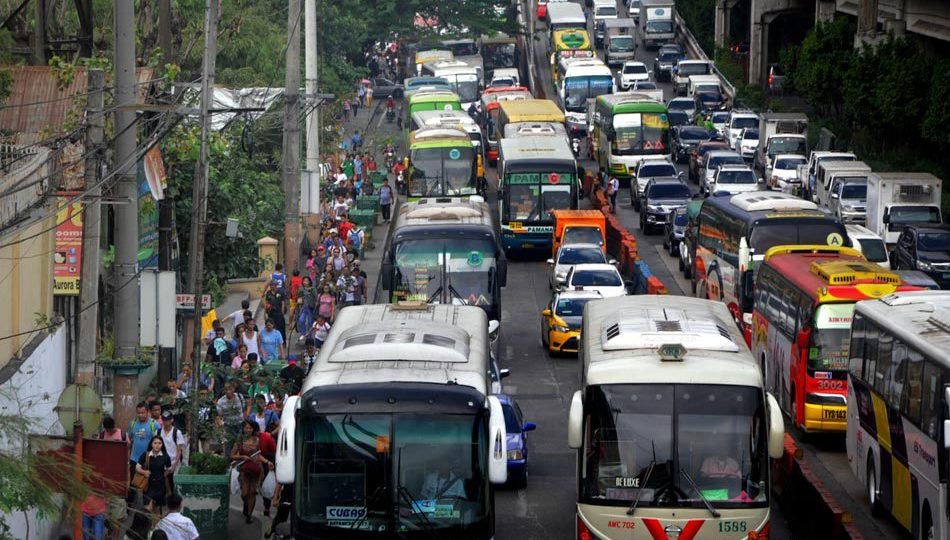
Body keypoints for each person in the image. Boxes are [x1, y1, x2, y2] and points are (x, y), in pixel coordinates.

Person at [232, 420, 264, 523]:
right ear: (244, 429)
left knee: (252, 492)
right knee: (245, 494)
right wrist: (242, 456)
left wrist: (267, 462)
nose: (248, 430)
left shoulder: (257, 440)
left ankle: (249, 515)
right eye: (246, 428)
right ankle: (246, 506)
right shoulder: (240, 440)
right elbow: (232, 455)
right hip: (244, 469)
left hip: (255, 469)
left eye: (250, 428)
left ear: (253, 429)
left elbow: (259, 455)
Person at [129, 402, 161, 500]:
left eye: (143, 413)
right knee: (132, 485)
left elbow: (159, 443)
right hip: (134, 459)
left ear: (148, 412)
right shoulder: (133, 423)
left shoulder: (154, 425)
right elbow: (129, 439)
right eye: (138, 413)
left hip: (148, 460)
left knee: (148, 487)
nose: (140, 415)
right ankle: (130, 508)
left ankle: (146, 509)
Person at [136, 435, 172, 514]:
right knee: (148, 508)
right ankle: (148, 525)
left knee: (157, 509)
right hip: (148, 485)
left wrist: (163, 476)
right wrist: (144, 472)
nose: (157, 445)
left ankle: (155, 525)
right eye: (155, 443)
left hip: (160, 486)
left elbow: (169, 469)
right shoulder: (145, 455)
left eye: (159, 443)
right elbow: (137, 467)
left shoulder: (165, 456)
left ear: (162, 445)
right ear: (151, 444)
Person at [159, 411, 187, 493]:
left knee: (175, 484)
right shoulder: (158, 432)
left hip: (174, 462)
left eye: (168, 420)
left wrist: (175, 464)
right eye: (164, 420)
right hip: (162, 463)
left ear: (172, 420)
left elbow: (179, 450)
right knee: (164, 484)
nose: (166, 422)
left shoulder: (177, 433)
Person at [216, 382, 246, 456]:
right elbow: (218, 416)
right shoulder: (221, 401)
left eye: (230, 389)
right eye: (226, 389)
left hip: (240, 425)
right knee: (228, 448)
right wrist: (220, 426)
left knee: (240, 447)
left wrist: (245, 418)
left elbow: (244, 408)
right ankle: (228, 463)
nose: (228, 391)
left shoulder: (240, 397)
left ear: (234, 389)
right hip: (228, 427)